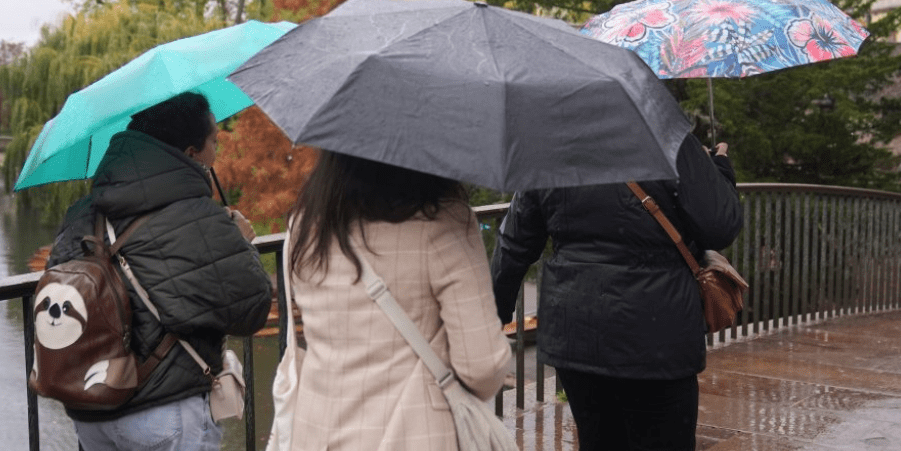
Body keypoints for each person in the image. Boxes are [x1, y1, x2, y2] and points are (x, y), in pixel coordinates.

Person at [46, 91, 273, 450]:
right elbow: (252, 309)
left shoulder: (81, 213)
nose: (218, 151)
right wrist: (241, 243)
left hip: (92, 411)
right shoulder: (197, 216)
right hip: (166, 414)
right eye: (213, 141)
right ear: (190, 153)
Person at [490, 135, 743, 451]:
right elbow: (721, 225)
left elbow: (515, 244)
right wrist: (718, 168)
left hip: (577, 334)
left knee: (599, 439)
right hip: (658, 335)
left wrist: (492, 318)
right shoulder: (668, 138)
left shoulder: (551, 145)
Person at [282, 150, 512, 450]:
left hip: (317, 432)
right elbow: (482, 368)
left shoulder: (304, 227)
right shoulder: (444, 225)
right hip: (413, 434)